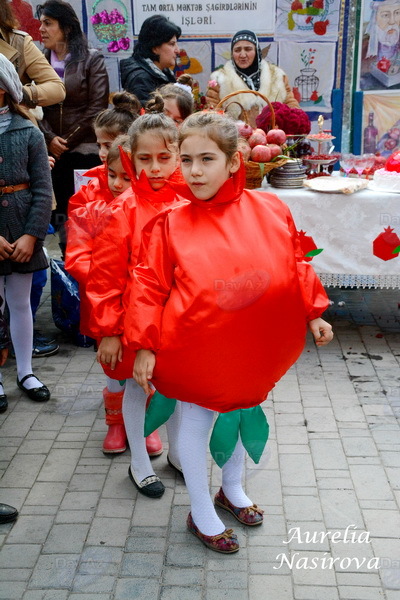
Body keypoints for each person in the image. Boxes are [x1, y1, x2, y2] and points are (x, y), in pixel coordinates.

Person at [127, 111, 333, 552]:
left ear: (235, 161)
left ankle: (232, 489)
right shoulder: (170, 224)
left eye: (207, 159)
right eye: (186, 160)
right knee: (199, 419)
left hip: (253, 345)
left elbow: (295, 261)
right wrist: (143, 343)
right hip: (198, 347)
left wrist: (314, 310)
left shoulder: (272, 209)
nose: (194, 171)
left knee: (240, 412)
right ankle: (200, 510)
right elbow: (147, 285)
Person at [86, 113, 186, 496]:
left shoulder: (187, 200)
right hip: (133, 318)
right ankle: (139, 464)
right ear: (131, 159)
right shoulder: (123, 209)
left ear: (177, 154)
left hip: (178, 318)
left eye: (164, 157)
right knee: (134, 386)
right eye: (144, 159)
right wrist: (109, 331)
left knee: (175, 387)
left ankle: (178, 452)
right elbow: (105, 276)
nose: (155, 167)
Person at [66, 135, 132, 454]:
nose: (118, 183)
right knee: (112, 365)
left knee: (141, 366)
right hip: (103, 302)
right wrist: (111, 284)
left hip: (140, 304)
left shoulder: (151, 200)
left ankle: (142, 424)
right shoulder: (88, 200)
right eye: (112, 174)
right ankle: (115, 423)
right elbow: (78, 254)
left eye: (127, 177)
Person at [0, 54, 52, 408]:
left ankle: (25, 370)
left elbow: (42, 188)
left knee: (20, 303)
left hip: (22, 232)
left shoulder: (29, 131)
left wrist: (32, 234)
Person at [37, 0, 109, 229]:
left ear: (66, 28)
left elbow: (97, 108)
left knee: (83, 218)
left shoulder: (91, 59)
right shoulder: (38, 61)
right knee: (58, 219)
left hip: (83, 151)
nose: (41, 29)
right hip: (48, 153)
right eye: (41, 23)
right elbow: (30, 106)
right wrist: (49, 139)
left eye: (48, 23)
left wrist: (65, 141)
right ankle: (63, 259)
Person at [205, 30, 299, 127]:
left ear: (257, 51)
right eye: (237, 50)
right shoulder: (219, 79)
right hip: (235, 139)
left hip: (273, 138)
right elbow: (212, 114)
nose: (242, 55)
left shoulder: (277, 76)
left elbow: (292, 108)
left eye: (248, 49)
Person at [0, 0, 65, 111]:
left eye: (48, 23)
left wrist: (17, 93)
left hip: (11, 123)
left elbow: (57, 88)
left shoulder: (18, 42)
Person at [120, 14, 181, 106]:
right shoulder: (141, 79)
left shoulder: (162, 73)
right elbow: (150, 118)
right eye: (172, 44)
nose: (178, 50)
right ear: (155, 47)